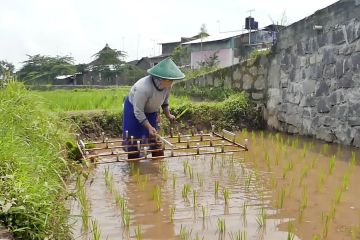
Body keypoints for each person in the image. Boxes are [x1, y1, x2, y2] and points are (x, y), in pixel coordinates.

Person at [122, 58, 185, 159]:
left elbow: (165, 102)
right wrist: (148, 127)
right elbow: (138, 111)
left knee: (155, 138)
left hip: (152, 111)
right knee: (133, 142)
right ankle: (134, 168)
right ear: (162, 79)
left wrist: (168, 114)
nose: (173, 82)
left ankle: (157, 166)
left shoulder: (167, 86)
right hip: (134, 110)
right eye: (171, 80)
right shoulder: (143, 88)